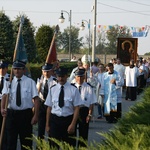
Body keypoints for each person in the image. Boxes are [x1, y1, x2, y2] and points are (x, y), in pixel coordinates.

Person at [1, 60, 40, 150]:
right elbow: (4, 96)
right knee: (10, 142)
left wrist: (36, 115)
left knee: (26, 142)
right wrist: (2, 108)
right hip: (11, 115)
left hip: (25, 115)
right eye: (15, 69)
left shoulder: (30, 82)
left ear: (24, 70)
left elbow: (36, 99)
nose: (17, 71)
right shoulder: (8, 82)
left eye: (19, 69)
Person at [45, 67, 82, 149]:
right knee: (53, 146)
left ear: (67, 76)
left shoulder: (73, 90)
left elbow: (76, 108)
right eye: (59, 76)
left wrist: (73, 124)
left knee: (68, 146)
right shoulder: (52, 89)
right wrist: (47, 124)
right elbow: (49, 108)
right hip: (55, 121)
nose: (60, 78)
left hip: (68, 120)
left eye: (62, 76)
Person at [73, 68, 96, 147]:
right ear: (75, 77)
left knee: (83, 133)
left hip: (84, 111)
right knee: (72, 132)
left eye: (81, 77)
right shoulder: (72, 87)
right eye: (78, 77)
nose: (79, 78)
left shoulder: (88, 87)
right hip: (73, 110)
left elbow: (91, 102)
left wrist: (89, 114)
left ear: (84, 77)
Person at [37, 63, 57, 140]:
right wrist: (39, 86)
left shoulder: (55, 81)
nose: (46, 73)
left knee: (50, 127)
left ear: (51, 71)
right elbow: (37, 93)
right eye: (44, 71)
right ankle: (40, 146)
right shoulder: (40, 80)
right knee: (40, 127)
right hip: (42, 103)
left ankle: (50, 145)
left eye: (48, 71)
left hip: (51, 105)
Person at [0, 60, 9, 132]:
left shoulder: (10, 78)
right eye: (0, 68)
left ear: (7, 68)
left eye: (3, 68)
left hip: (6, 103)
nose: (1, 70)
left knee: (6, 125)